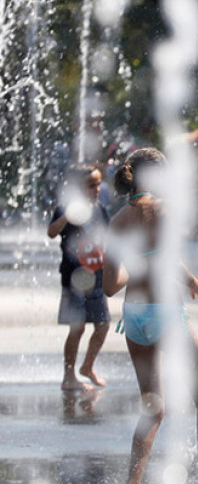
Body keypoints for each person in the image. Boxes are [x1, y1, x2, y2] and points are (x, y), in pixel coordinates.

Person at [101, 148, 198, 484]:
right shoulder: (166, 212)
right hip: (166, 314)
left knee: (153, 407)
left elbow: (110, 286)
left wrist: (189, 280)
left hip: (134, 317)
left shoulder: (118, 220)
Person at [47, 164, 111, 390]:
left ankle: (87, 367)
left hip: (96, 275)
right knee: (78, 327)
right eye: (90, 185)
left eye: (98, 184)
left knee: (103, 325)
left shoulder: (100, 209)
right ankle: (69, 375)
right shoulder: (67, 208)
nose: (96, 189)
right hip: (74, 277)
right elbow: (52, 232)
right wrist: (67, 216)